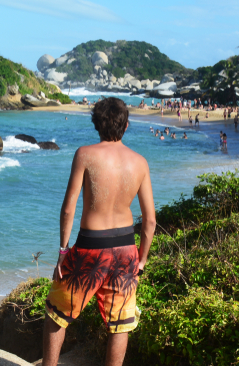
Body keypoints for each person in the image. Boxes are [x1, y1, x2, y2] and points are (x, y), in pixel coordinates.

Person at [43, 98, 156, 366]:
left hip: (90, 247)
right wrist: (142, 259)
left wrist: (63, 251)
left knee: (56, 312)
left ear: (96, 124)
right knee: (121, 323)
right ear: (126, 125)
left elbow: (68, 209)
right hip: (126, 249)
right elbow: (150, 221)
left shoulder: (85, 154)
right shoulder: (140, 163)